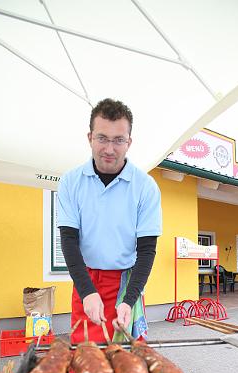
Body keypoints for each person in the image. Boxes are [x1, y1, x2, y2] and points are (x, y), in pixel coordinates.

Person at [57, 98, 162, 343]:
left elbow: (147, 251)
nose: (109, 149)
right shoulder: (71, 182)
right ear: (90, 137)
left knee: (129, 363)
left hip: (127, 282)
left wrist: (129, 300)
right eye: (102, 138)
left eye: (118, 140)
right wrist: (86, 292)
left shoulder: (145, 186)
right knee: (85, 360)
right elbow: (69, 242)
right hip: (86, 279)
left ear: (129, 142)